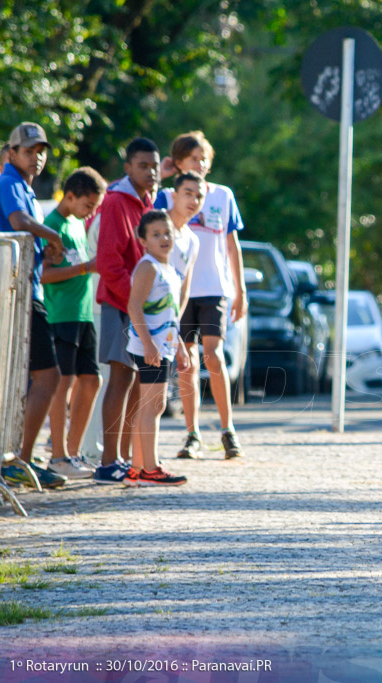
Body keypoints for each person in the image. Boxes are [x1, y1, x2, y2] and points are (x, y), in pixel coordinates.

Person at [154, 131, 247, 460]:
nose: (201, 164)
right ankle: (192, 433)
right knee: (187, 361)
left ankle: (228, 429)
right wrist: (163, 175)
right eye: (193, 158)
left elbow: (232, 244)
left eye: (205, 158)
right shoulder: (167, 195)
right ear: (178, 163)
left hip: (215, 287)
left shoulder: (222, 195)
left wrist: (240, 290)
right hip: (180, 289)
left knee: (214, 354)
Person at [0, 123, 68, 489]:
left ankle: (18, 456)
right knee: (48, 376)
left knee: (25, 379)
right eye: (30, 150)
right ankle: (17, 458)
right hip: (18, 295)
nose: (37, 157)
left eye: (42, 151)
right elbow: (19, 223)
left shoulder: (24, 187)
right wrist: (52, 235)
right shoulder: (9, 184)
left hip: (25, 290)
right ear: (13, 152)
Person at [94, 137, 159, 484]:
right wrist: (134, 303)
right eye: (143, 166)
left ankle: (125, 457)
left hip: (141, 308)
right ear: (128, 168)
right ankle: (108, 462)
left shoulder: (148, 202)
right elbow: (108, 262)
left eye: (154, 165)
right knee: (119, 379)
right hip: (121, 305)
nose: (150, 172)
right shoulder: (118, 202)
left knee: (136, 381)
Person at [42, 167, 107, 480]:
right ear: (70, 196)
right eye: (88, 205)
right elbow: (43, 274)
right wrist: (85, 268)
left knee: (91, 381)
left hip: (83, 314)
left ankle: (73, 451)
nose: (91, 212)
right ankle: (57, 455)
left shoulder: (79, 224)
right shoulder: (52, 225)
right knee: (62, 383)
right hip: (60, 314)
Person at [123, 210, 189, 486]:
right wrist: (148, 344)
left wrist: (181, 346)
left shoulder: (170, 270)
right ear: (143, 240)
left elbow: (171, 314)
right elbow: (133, 305)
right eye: (156, 234)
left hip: (165, 346)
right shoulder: (148, 267)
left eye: (167, 233)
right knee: (154, 406)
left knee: (152, 406)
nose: (163, 238)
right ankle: (151, 468)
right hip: (149, 346)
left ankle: (137, 469)